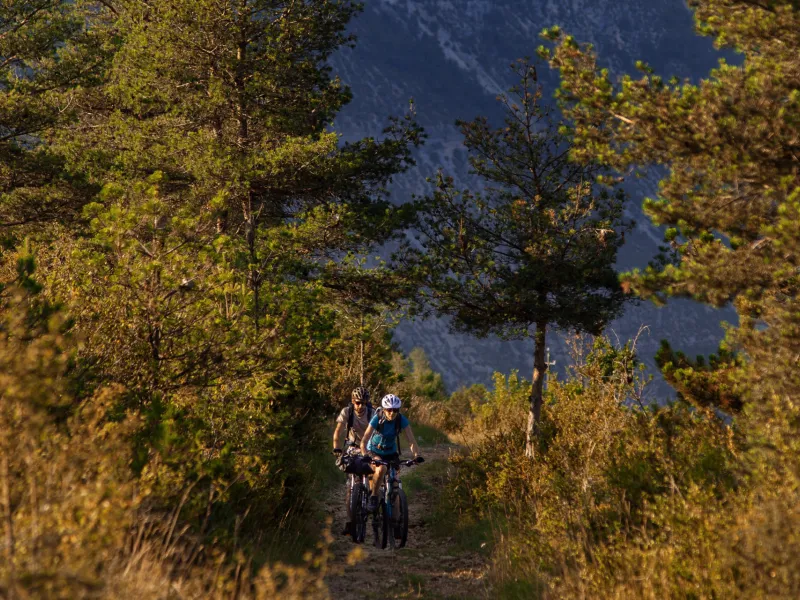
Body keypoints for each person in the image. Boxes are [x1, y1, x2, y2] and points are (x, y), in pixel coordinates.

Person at [360, 393, 424, 512]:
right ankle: (373, 496)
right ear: (384, 409)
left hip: (390, 452)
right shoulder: (377, 418)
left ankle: (394, 519)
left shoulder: (401, 420)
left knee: (395, 481)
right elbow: (364, 440)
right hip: (374, 450)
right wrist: (365, 454)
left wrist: (417, 455)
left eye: (395, 410)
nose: (392, 413)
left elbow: (411, 441)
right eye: (389, 410)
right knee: (381, 469)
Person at [332, 386, 374, 535]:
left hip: (369, 447)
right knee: (350, 488)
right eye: (357, 402)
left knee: (374, 473)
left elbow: (378, 432)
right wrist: (337, 449)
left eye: (363, 402)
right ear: (352, 401)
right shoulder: (347, 412)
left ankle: (373, 499)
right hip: (352, 447)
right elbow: (338, 431)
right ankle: (350, 521)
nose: (360, 406)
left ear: (367, 402)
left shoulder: (372, 413)